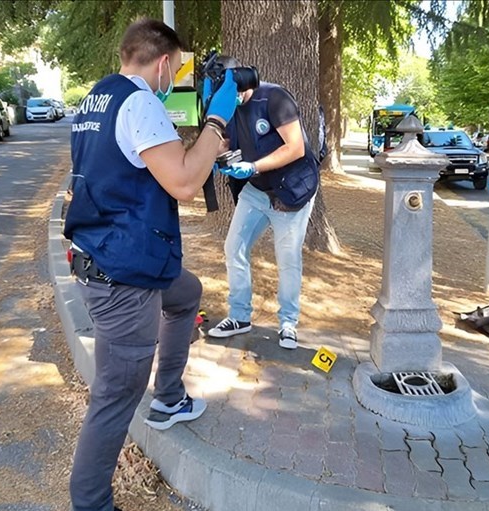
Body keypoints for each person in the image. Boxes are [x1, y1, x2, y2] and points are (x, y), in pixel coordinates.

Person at [63, 18, 238, 511]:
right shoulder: (140, 101)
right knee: (116, 393)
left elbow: (124, 168)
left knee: (186, 295)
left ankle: (168, 396)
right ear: (163, 63)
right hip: (123, 276)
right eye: (177, 70)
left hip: (116, 252)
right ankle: (91, 502)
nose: (175, 81)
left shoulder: (97, 97)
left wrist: (205, 148)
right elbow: (183, 182)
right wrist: (216, 122)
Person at [206, 56, 320, 350]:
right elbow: (226, 142)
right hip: (256, 192)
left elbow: (295, 148)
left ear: (242, 80)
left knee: (288, 259)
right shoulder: (229, 106)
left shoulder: (274, 98)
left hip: (291, 192)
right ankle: (240, 316)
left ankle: (288, 323)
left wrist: (253, 166)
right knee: (234, 247)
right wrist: (216, 155)